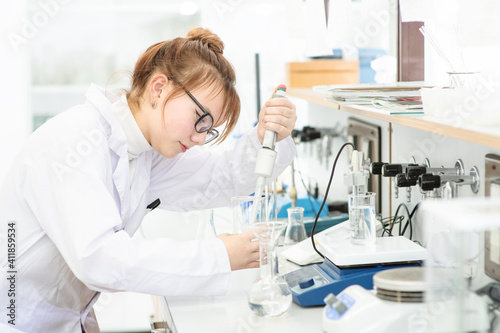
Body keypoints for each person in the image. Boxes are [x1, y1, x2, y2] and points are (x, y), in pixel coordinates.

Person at [0, 27, 297, 332]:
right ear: (158, 89)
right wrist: (219, 255)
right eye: (200, 118)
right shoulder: (75, 141)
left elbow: (220, 178)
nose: (200, 138)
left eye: (209, 129)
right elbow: (100, 259)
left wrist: (269, 137)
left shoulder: (144, 151)